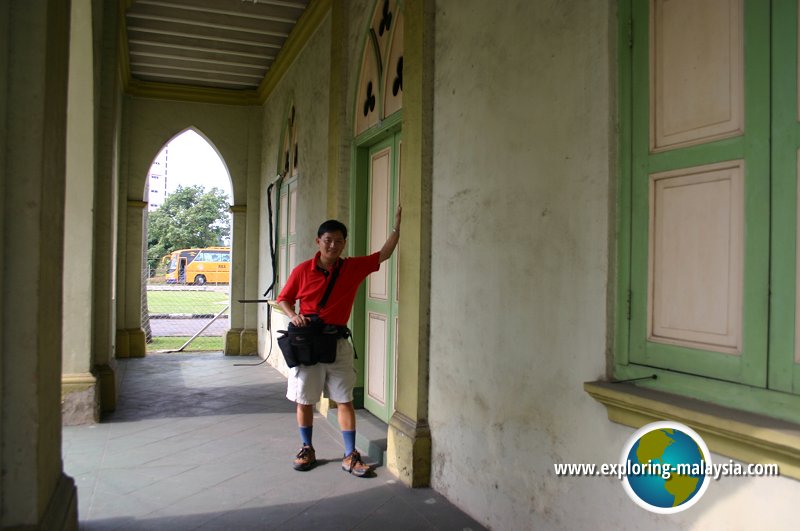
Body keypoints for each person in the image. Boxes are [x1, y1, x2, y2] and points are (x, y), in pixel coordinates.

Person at [277, 205, 402, 477]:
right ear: (318, 241)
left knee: (344, 399)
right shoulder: (302, 271)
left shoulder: (352, 268)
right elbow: (283, 298)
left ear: (344, 243)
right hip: (308, 342)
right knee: (305, 400)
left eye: (339, 241)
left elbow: (383, 254)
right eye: (328, 240)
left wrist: (397, 228)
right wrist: (293, 314)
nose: (333, 245)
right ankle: (307, 447)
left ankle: (349, 453)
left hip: (337, 342)